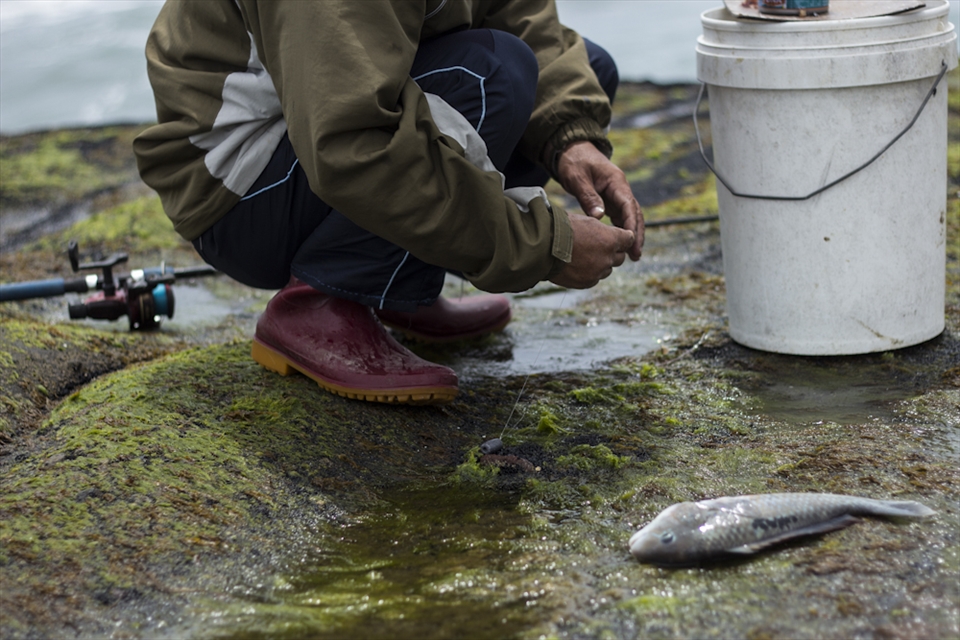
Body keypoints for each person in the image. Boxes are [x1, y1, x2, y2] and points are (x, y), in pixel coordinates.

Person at [134, 1, 644, 405]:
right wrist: (543, 244)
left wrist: (570, 138)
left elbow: (517, 11)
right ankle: (320, 301)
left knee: (581, 70)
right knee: (493, 75)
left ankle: (395, 283)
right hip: (241, 186)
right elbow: (353, 145)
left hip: (315, 131)